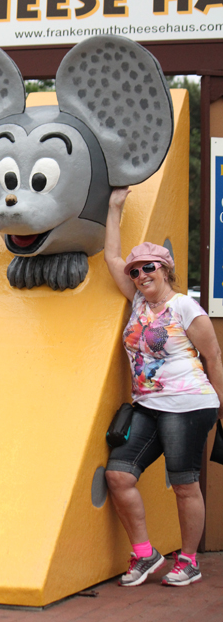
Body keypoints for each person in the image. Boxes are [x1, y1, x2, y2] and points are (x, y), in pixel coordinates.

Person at [104, 187, 223, 588]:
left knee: (184, 482)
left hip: (188, 404)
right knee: (119, 475)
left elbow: (214, 359)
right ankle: (145, 553)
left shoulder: (185, 308)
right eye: (136, 271)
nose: (141, 275)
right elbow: (111, 258)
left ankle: (188, 560)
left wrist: (222, 408)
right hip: (148, 405)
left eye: (149, 267)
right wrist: (114, 206)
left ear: (166, 269)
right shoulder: (138, 302)